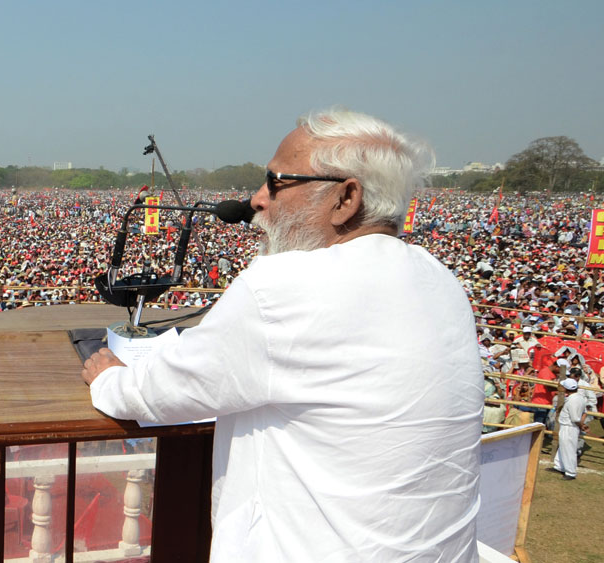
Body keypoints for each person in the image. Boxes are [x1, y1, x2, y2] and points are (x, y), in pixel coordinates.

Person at [81, 108, 483, 560]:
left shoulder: (286, 286)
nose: (257, 199)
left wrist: (108, 374)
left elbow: (155, 393)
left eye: (276, 182)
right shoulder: (440, 279)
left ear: (346, 198)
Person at [552, 378, 589, 480]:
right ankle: (559, 466)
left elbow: (574, 418)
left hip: (569, 427)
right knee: (563, 447)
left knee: (569, 449)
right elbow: (584, 412)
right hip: (567, 426)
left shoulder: (573, 400)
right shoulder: (579, 397)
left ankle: (570, 472)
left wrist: (581, 425)